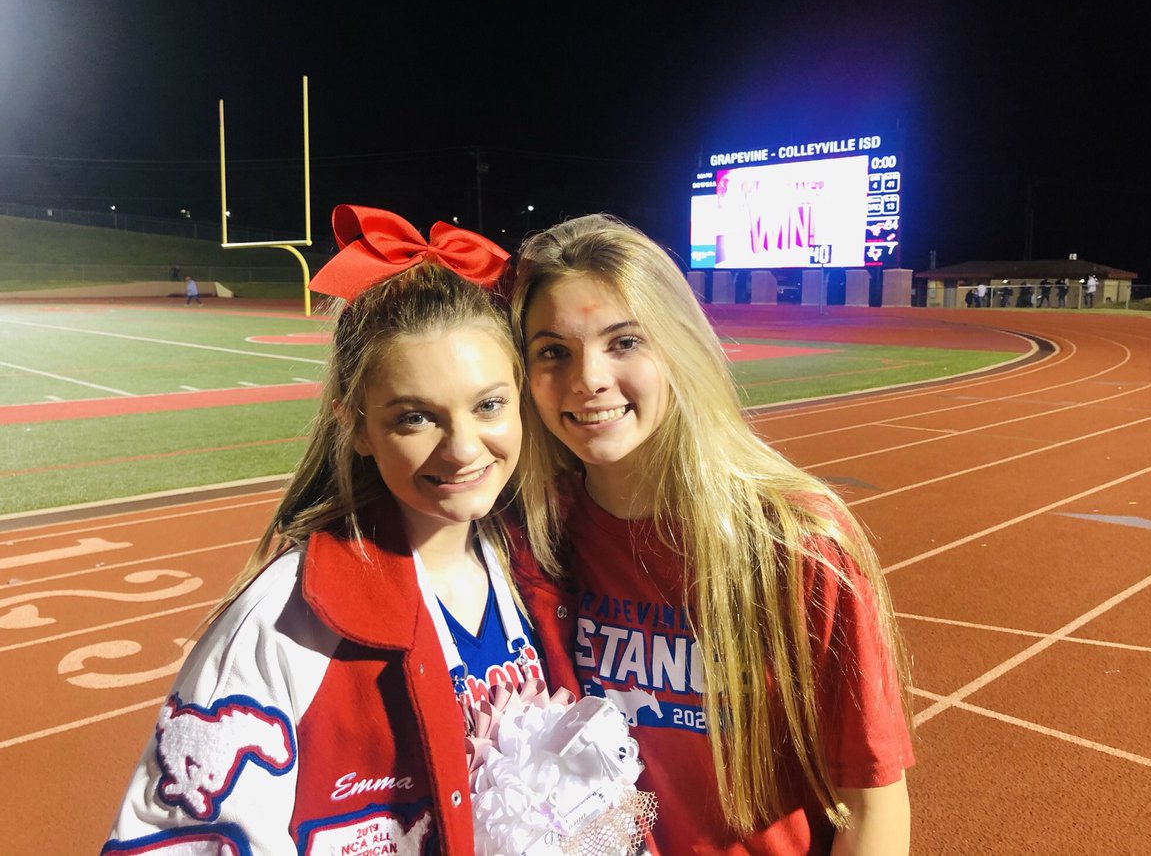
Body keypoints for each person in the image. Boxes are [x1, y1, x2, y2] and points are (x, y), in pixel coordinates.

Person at [103, 206, 577, 855]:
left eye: (489, 404)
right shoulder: (286, 622)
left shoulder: (537, 566)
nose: (464, 448)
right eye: (416, 418)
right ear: (355, 425)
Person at [509, 215, 913, 854]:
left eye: (624, 342)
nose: (588, 379)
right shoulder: (531, 537)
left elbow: (873, 806)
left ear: (679, 348)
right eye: (552, 350)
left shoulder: (796, 543)